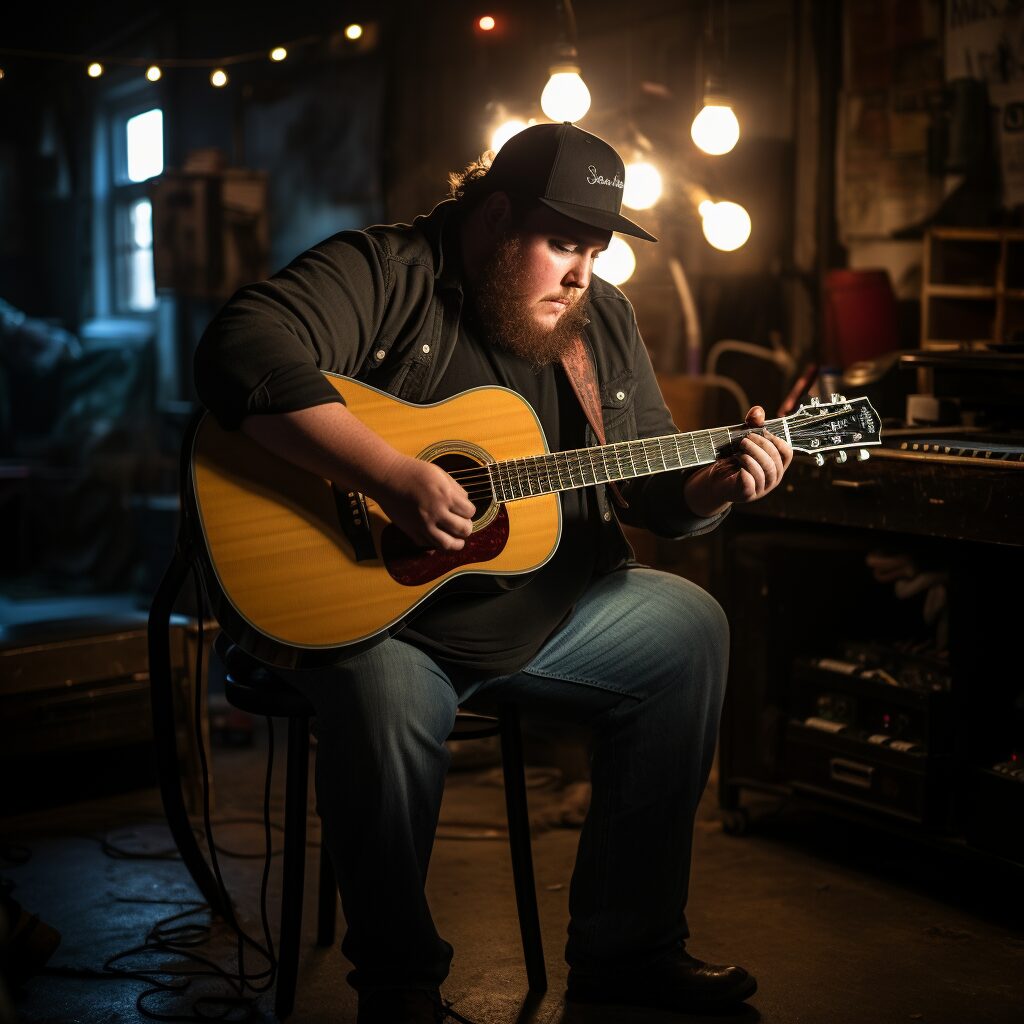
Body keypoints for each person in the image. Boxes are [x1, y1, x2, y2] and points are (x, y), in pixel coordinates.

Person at [194, 121, 792, 1024]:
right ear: (496, 216)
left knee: (693, 629)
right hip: (395, 624)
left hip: (556, 608)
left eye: (595, 249)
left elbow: (653, 487)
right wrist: (387, 475)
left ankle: (628, 951)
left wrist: (713, 484)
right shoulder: (389, 269)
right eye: (562, 244)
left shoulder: (602, 318)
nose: (582, 273)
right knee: (381, 698)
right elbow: (241, 346)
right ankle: (399, 989)